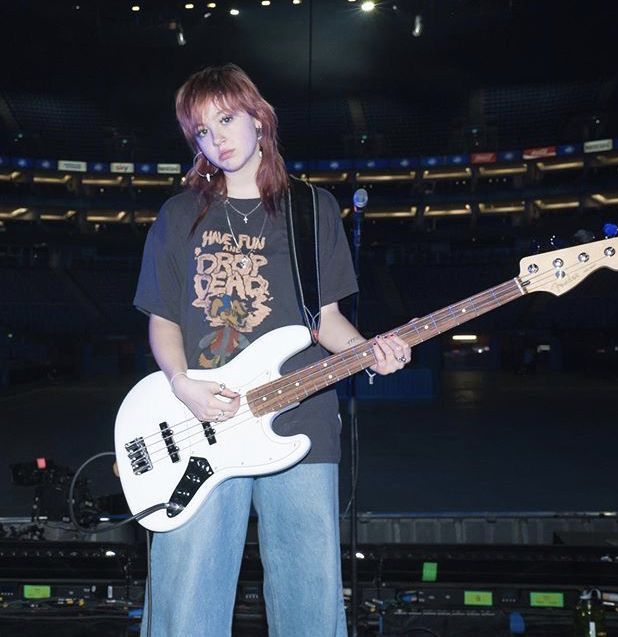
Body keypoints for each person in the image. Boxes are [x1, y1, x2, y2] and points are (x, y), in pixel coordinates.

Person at [133, 63, 411, 637]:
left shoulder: (313, 210)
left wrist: (371, 350)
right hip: (201, 420)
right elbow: (163, 321)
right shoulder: (178, 215)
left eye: (227, 120)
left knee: (311, 599)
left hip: (301, 422)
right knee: (186, 602)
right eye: (203, 132)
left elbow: (324, 321)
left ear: (260, 118)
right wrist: (184, 385)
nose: (218, 140)